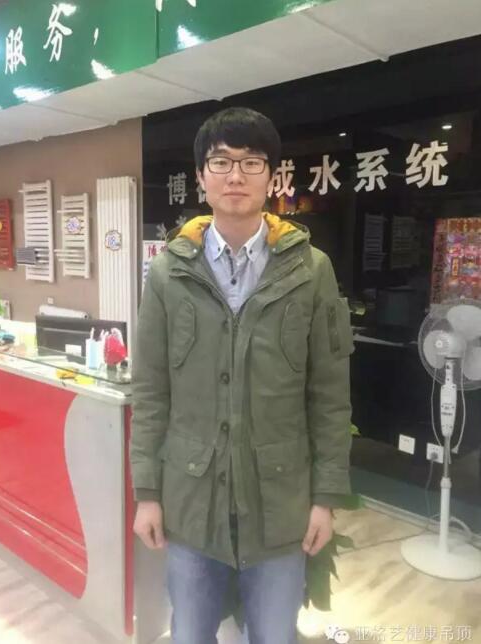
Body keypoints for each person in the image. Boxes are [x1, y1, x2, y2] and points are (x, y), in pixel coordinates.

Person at [131, 107, 354, 644]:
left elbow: (329, 395)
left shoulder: (311, 271)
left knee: (274, 636)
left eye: (251, 162)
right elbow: (152, 390)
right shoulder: (168, 272)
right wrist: (147, 493)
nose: (235, 175)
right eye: (221, 162)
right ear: (201, 176)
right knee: (190, 635)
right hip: (190, 502)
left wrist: (325, 497)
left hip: (280, 506)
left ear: (272, 177)